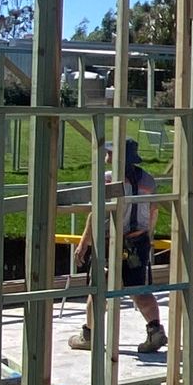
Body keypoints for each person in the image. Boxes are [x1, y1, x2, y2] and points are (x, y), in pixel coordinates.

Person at [70, 138, 167, 357]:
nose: (107, 156)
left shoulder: (108, 180)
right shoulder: (148, 180)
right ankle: (155, 330)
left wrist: (83, 244)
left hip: (111, 243)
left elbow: (95, 215)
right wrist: (147, 238)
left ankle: (89, 336)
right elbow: (153, 211)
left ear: (120, 158)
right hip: (138, 242)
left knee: (98, 289)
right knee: (139, 288)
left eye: (111, 153)